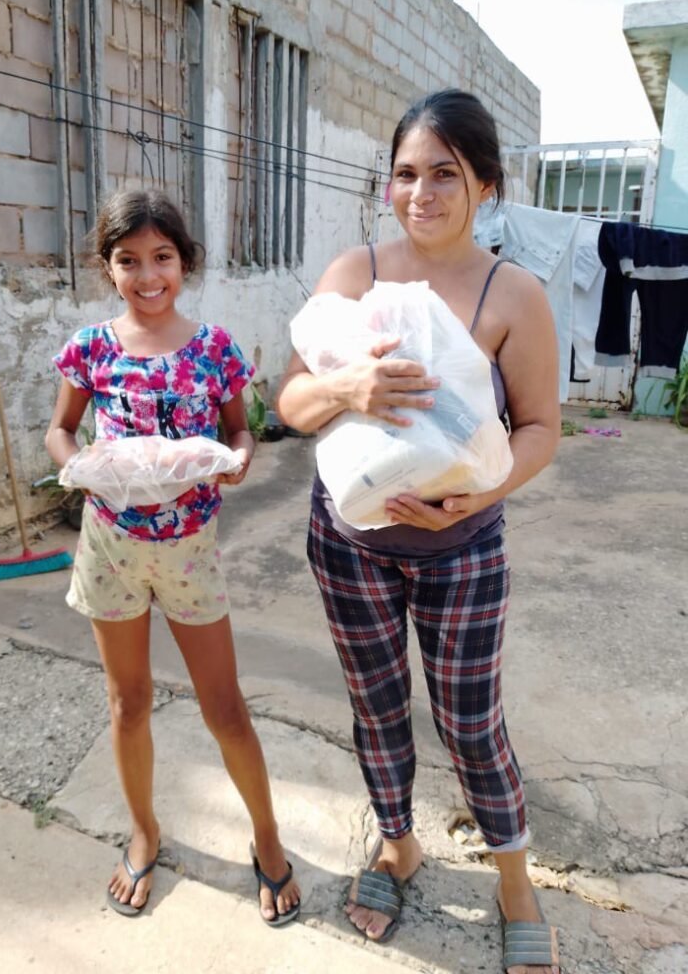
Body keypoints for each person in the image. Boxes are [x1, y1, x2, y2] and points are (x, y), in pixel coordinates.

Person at [276, 89, 561, 973]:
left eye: (445, 174)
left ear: (486, 186)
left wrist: (475, 500)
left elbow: (540, 428)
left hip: (462, 549)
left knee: (471, 723)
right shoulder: (354, 273)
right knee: (376, 706)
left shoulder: (514, 294)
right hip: (350, 541)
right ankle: (397, 845)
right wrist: (347, 389)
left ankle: (514, 880)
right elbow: (291, 405)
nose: (421, 194)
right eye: (405, 174)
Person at [46, 188, 300, 926]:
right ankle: (144, 831)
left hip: (189, 551)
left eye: (162, 257)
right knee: (128, 702)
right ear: (108, 267)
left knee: (225, 707)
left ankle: (267, 835)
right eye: (128, 260)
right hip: (110, 547)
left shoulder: (214, 348)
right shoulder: (91, 348)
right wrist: (80, 467)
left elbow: (239, 430)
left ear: (184, 263)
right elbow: (61, 431)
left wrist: (238, 459)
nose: (147, 275)